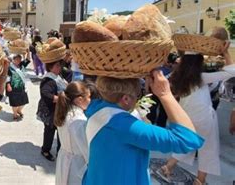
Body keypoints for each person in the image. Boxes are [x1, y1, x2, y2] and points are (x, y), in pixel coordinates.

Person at [83, 71, 204, 185]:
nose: (138, 98)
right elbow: (187, 139)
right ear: (125, 99)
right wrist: (165, 94)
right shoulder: (124, 126)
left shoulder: (94, 108)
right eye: (137, 95)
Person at [158, 42, 234, 184]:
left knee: (187, 143)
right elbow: (232, 72)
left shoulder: (177, 76)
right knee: (208, 149)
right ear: (198, 63)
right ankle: (200, 181)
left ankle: (167, 167)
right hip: (204, 117)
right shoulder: (202, 78)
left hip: (186, 117)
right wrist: (226, 54)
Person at [54, 81, 91, 185]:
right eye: (89, 97)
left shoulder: (65, 113)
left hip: (64, 160)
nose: (90, 100)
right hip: (76, 165)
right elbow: (86, 149)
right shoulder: (78, 120)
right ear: (80, 100)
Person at [37, 60, 68, 161]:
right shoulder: (48, 80)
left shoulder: (58, 77)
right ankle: (45, 150)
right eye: (57, 66)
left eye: (60, 65)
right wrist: (61, 98)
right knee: (50, 131)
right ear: (50, 67)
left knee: (61, 130)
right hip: (50, 110)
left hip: (59, 109)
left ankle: (60, 152)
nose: (60, 68)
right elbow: (45, 94)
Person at [6, 53, 30, 121]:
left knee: (24, 101)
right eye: (16, 59)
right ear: (13, 60)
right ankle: (14, 114)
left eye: (19, 59)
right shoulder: (10, 67)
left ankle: (19, 110)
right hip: (13, 87)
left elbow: (28, 59)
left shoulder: (22, 65)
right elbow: (7, 77)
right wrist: (8, 85)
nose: (18, 60)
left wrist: (28, 50)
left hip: (22, 86)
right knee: (14, 103)